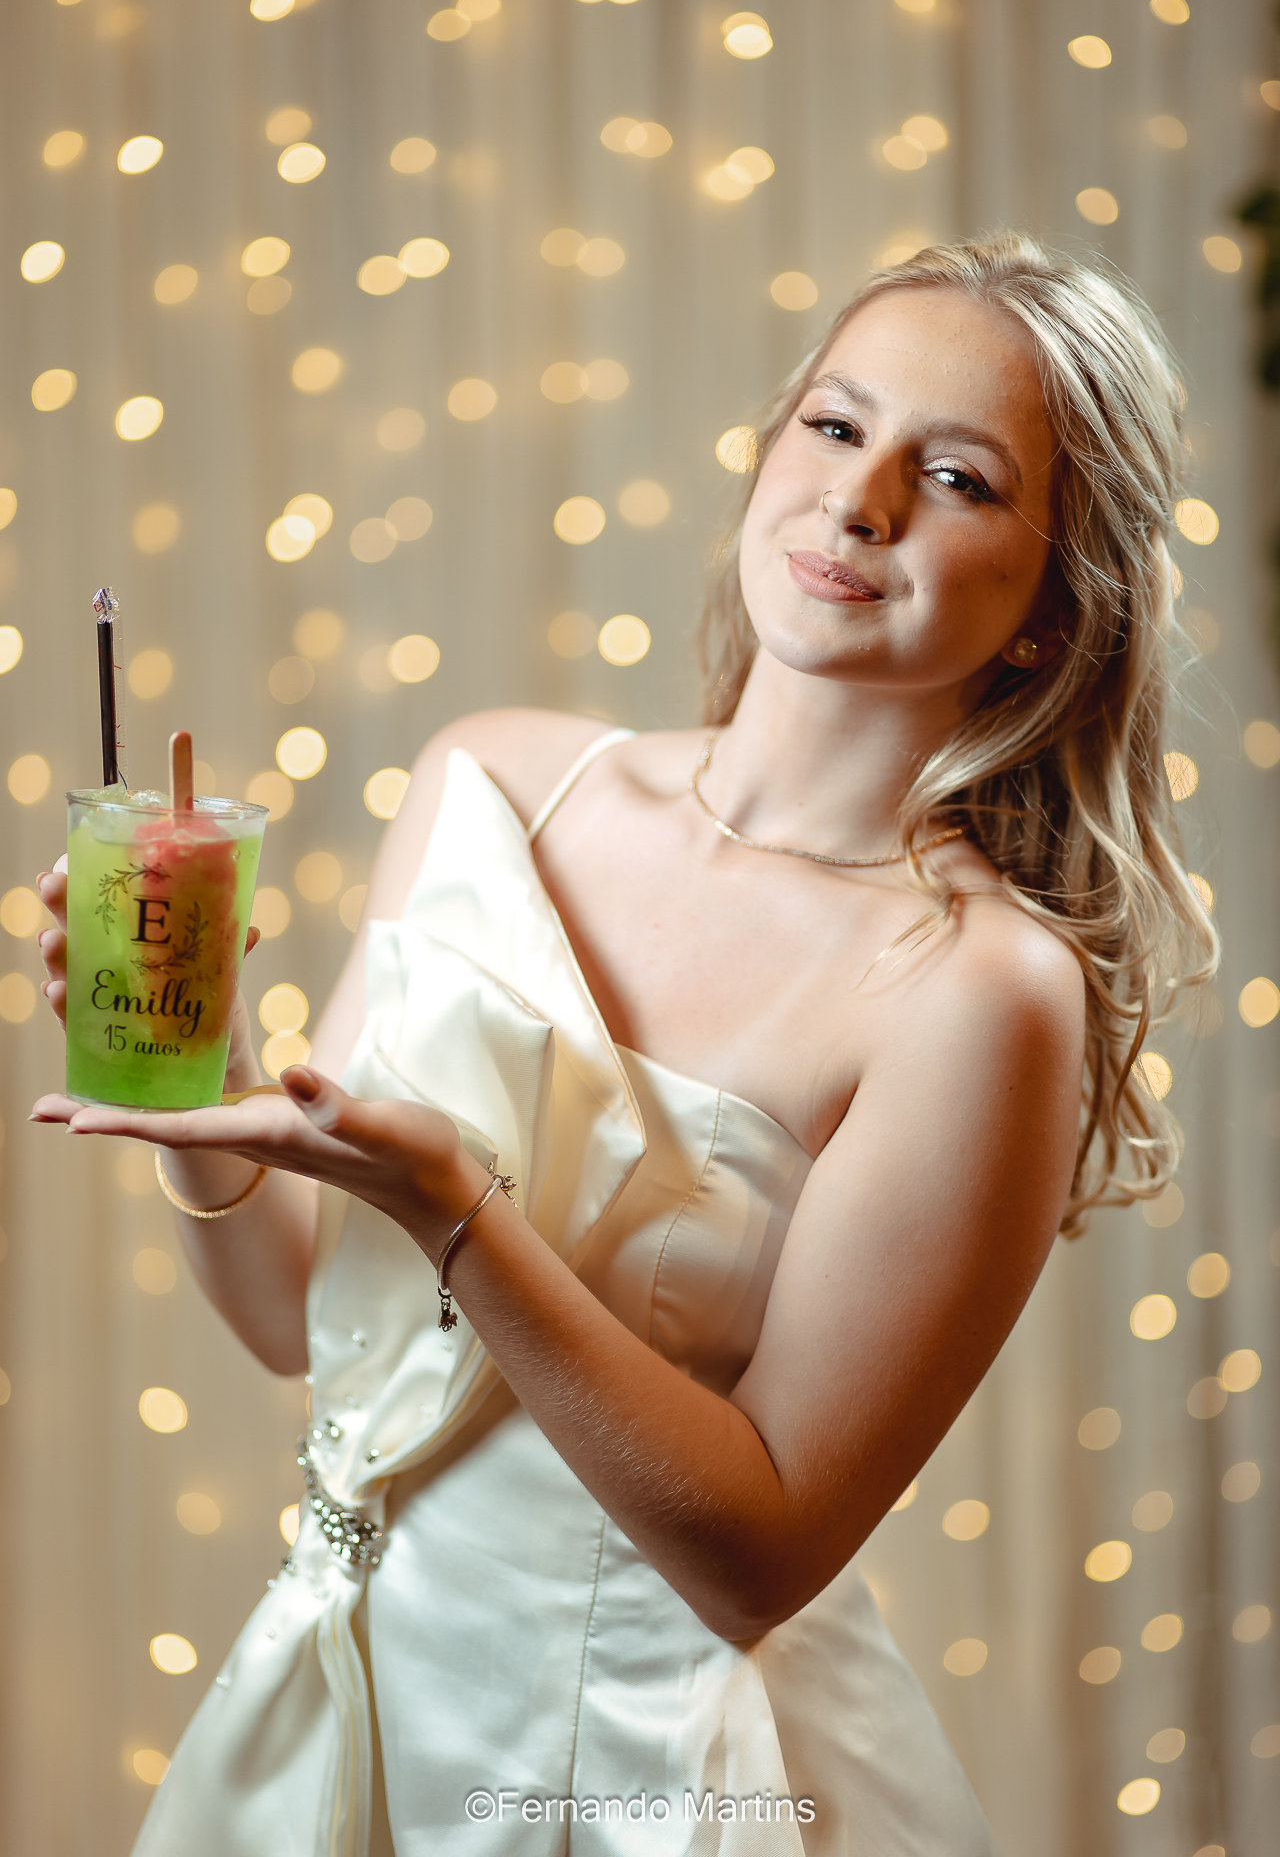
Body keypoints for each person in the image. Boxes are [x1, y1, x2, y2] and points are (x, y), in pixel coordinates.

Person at [33, 231, 1216, 1855]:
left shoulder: (981, 987)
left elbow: (757, 1559)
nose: (861, 499)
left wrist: (460, 1214)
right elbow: (302, 1330)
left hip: (633, 1779)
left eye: (956, 478)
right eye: (834, 426)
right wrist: (209, 1078)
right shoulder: (493, 783)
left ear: (1054, 608)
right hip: (334, 1708)